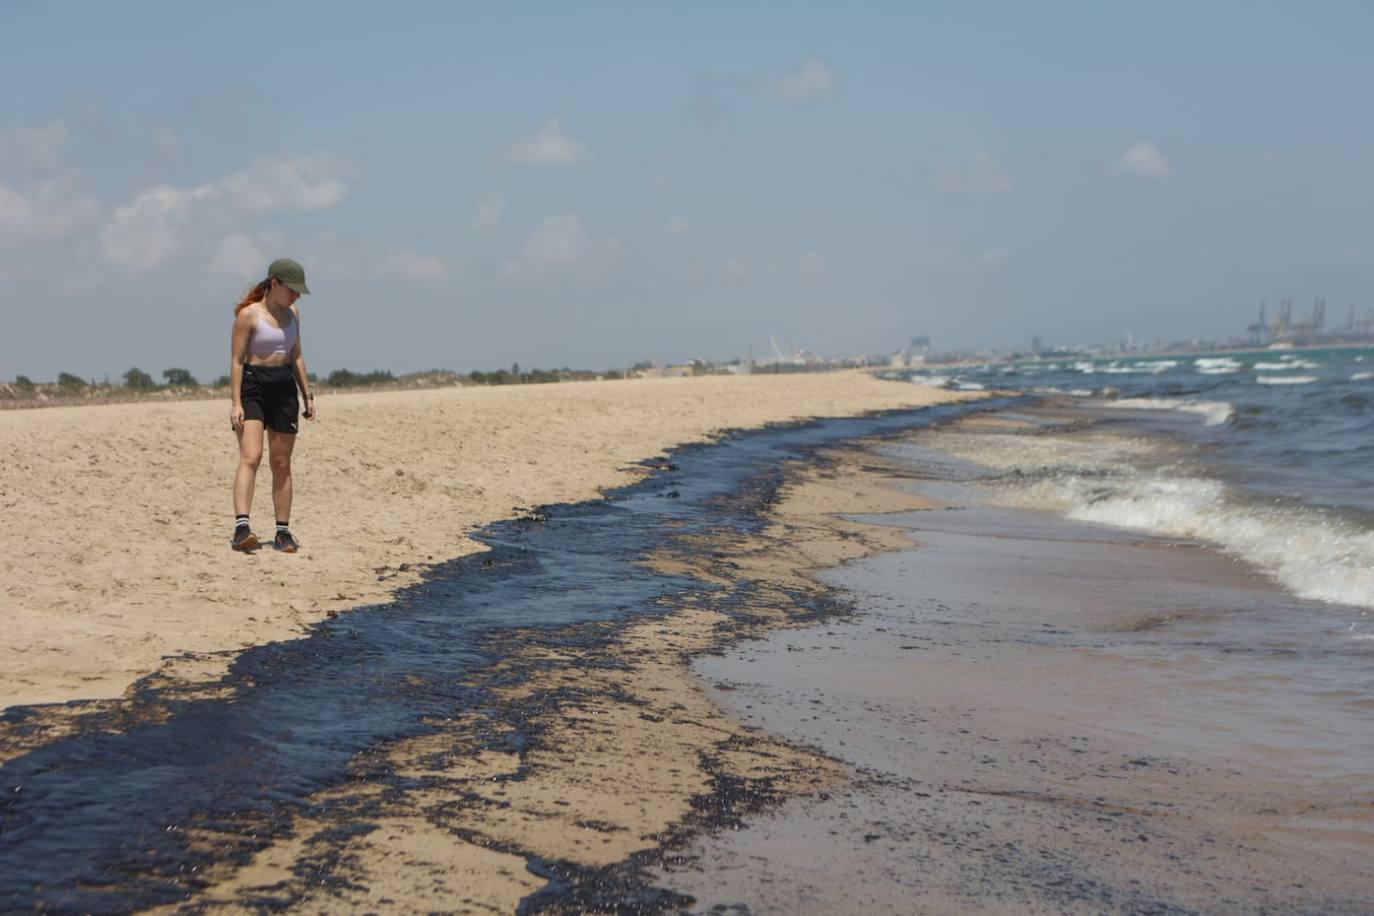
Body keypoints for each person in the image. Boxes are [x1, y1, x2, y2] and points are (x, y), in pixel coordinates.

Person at [229, 258, 316, 552]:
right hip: (253, 386)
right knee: (251, 456)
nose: (296, 295)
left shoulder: (294, 315)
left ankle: (283, 532)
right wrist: (236, 403)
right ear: (274, 283)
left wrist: (307, 395)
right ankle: (242, 528)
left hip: (283, 387)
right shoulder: (249, 316)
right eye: (292, 289)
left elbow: (297, 357)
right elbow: (237, 361)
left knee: (281, 463)